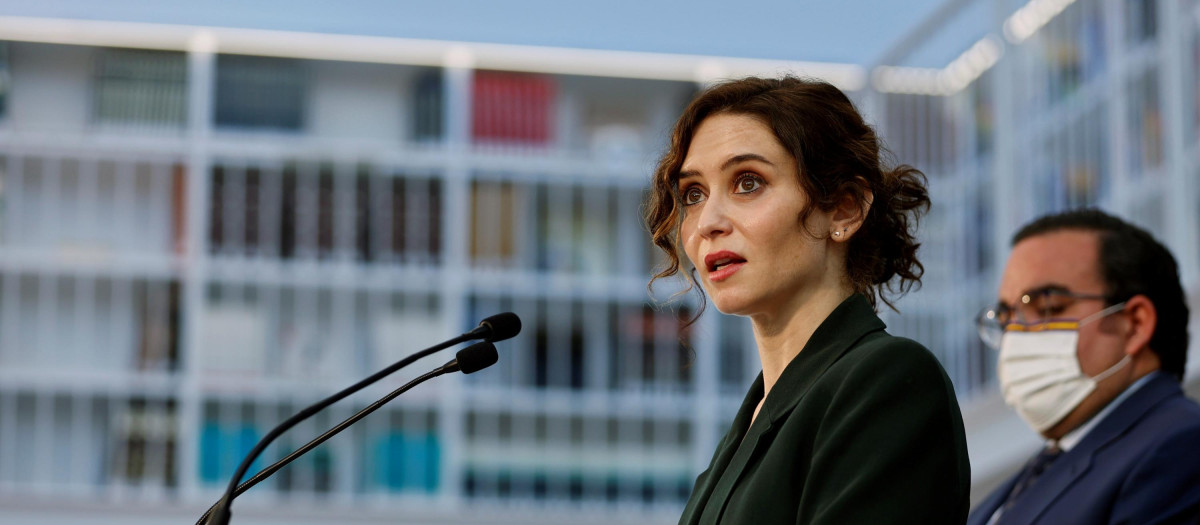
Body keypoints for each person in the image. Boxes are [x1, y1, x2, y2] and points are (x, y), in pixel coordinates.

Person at [644, 75, 971, 525]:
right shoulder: (749, 426)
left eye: (747, 182)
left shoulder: (887, 380)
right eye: (693, 194)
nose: (707, 223)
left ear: (844, 209)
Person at [969, 209, 1200, 525]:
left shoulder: (1179, 448)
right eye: (1007, 316)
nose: (1015, 336)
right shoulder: (1035, 473)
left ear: (1134, 324)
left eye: (1049, 306)